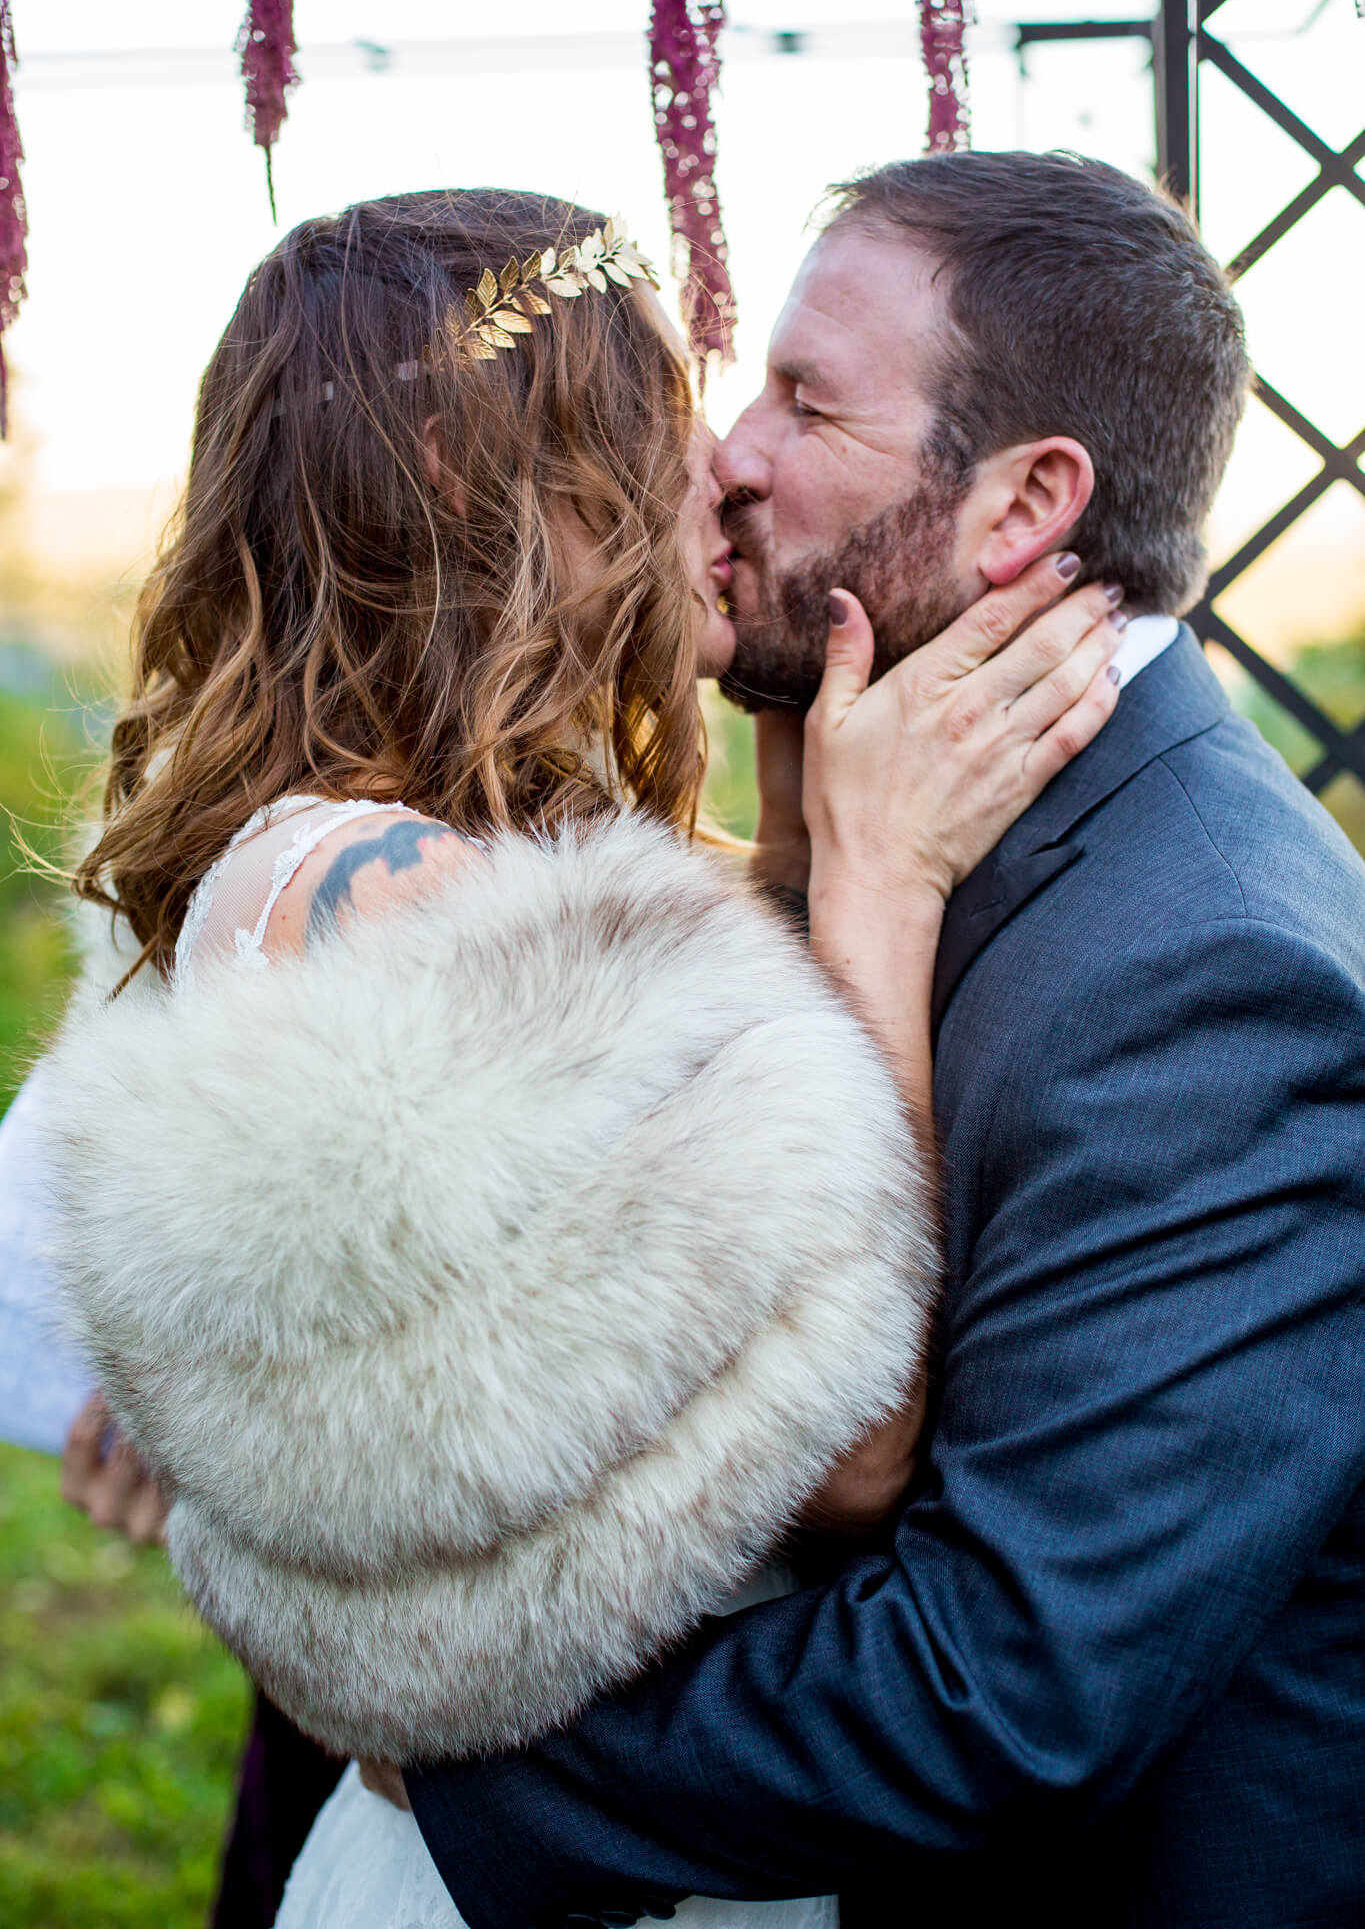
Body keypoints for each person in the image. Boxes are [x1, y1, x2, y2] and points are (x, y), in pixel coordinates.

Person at [34, 183, 1121, 1929]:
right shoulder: (404, 900)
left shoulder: (352, 855)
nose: (720, 469)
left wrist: (770, 858)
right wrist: (878, 894)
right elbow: (842, 1443)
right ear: (492, 486)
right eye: (656, 413)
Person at [393, 154, 1365, 1929]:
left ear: (1019, 510)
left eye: (805, 401)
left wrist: (463, 1758)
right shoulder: (895, 826)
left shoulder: (1211, 977)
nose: (725, 455)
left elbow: (996, 1689)